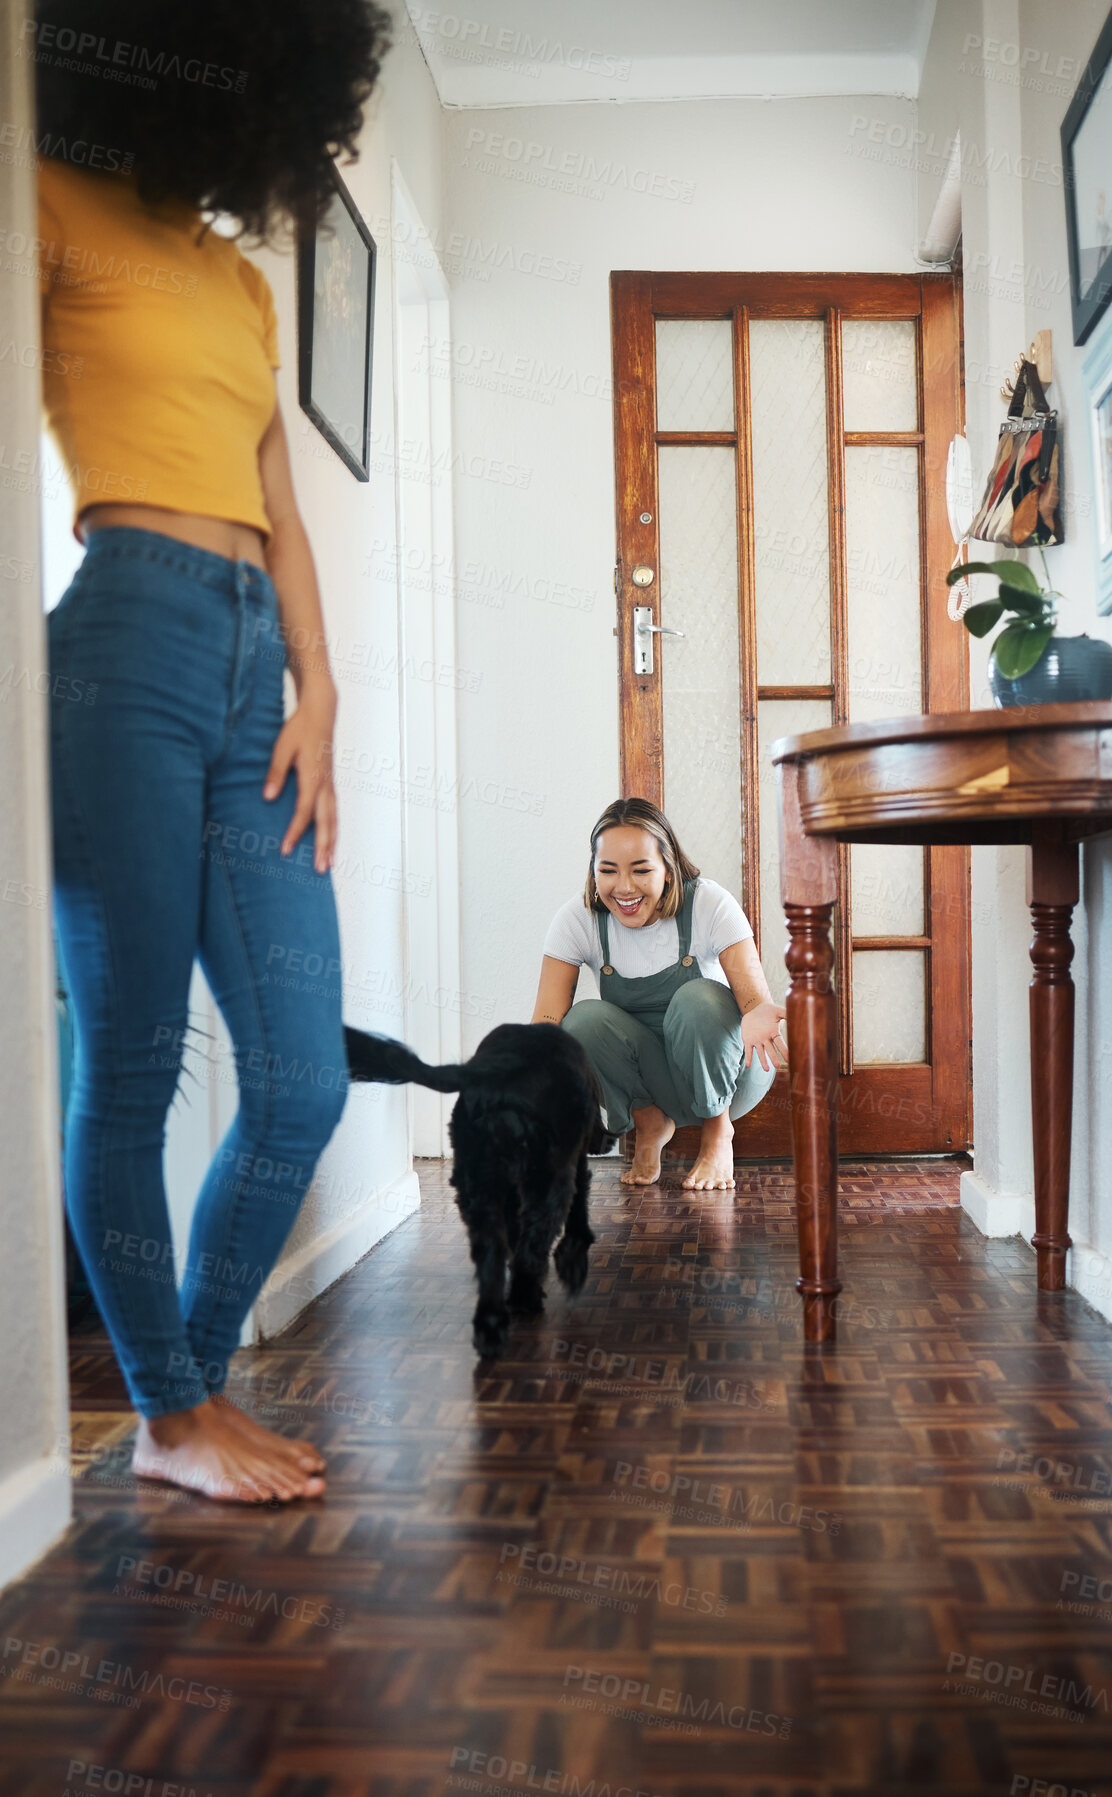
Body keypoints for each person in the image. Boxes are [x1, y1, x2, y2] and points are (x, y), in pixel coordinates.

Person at [36, 0, 392, 1503]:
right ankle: (177, 1415)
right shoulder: (43, 199)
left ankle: (180, 1398)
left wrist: (321, 694)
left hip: (258, 663)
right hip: (122, 636)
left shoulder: (247, 280)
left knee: (303, 1075)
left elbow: (288, 517)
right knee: (126, 1072)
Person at [531, 798, 787, 1190]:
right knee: (581, 1022)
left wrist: (756, 1013)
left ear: (668, 868)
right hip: (655, 1080)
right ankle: (650, 1125)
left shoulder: (707, 902)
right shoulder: (577, 920)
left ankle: (718, 1135)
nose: (625, 887)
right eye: (608, 871)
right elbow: (547, 1018)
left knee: (696, 999)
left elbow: (754, 1001)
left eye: (641, 870)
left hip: (732, 1071)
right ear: (593, 871)